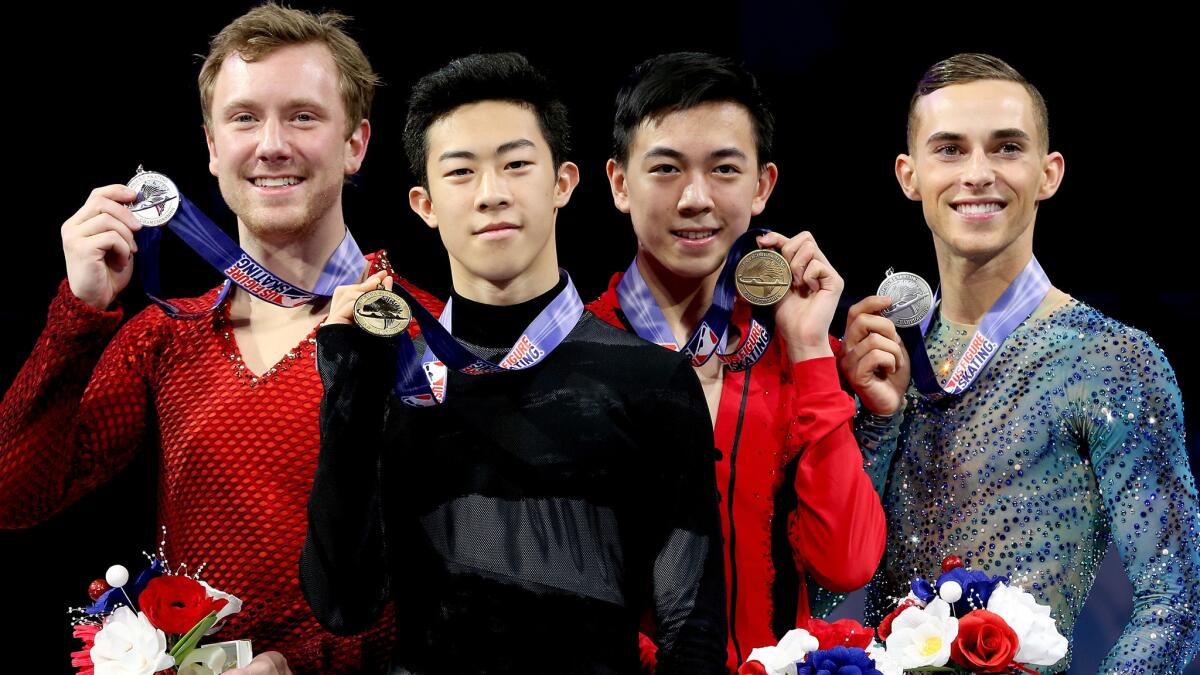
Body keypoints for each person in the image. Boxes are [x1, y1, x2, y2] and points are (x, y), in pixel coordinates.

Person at [0, 4, 440, 672]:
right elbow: (15, 496)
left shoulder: (427, 335)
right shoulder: (164, 339)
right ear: (210, 146)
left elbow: (470, 578)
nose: (271, 145)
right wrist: (79, 313)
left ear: (355, 143)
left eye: (303, 115)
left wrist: (307, 663)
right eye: (244, 117)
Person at [301, 52, 727, 674]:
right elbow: (344, 605)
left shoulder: (652, 382)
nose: (492, 194)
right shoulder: (397, 382)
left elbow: (691, 629)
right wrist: (352, 389)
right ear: (423, 204)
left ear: (562, 183)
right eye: (461, 173)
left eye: (517, 165)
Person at [842, 52, 1200, 673]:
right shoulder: (878, 359)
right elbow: (823, 584)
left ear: (1048, 173)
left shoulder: (1112, 359)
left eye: (1007, 148)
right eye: (949, 149)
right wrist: (874, 423)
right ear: (909, 174)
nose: (977, 173)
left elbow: (1176, 598)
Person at [584, 52, 885, 671]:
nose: (696, 198)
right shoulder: (573, 355)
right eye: (665, 168)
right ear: (619, 183)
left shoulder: (799, 360)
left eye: (724, 169)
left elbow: (847, 564)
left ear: (762, 187)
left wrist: (807, 350)